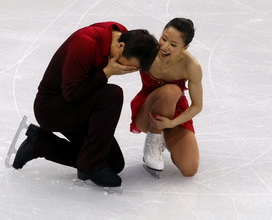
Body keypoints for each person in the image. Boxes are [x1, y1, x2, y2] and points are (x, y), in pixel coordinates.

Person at [10, 21, 159, 188]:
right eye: (128, 65)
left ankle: (40, 144)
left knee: (114, 164)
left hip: (83, 106)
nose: (126, 69)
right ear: (121, 46)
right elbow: (71, 94)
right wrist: (107, 72)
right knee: (112, 95)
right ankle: (91, 165)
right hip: (53, 109)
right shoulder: (84, 43)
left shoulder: (122, 37)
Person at [130, 18, 203, 177]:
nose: (164, 46)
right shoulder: (148, 50)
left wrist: (172, 123)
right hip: (147, 112)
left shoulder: (191, 66)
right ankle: (154, 140)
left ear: (185, 47)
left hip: (175, 114)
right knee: (171, 91)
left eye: (173, 44)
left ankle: (163, 135)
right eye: (164, 38)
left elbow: (197, 105)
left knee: (189, 169)